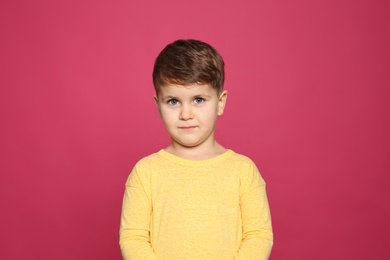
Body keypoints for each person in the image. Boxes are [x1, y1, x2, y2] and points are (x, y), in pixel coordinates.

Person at [119, 39, 273, 259]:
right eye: (173, 101)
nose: (185, 114)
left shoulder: (243, 171)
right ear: (158, 106)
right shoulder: (145, 172)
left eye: (198, 99)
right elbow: (133, 238)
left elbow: (258, 235)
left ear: (220, 102)